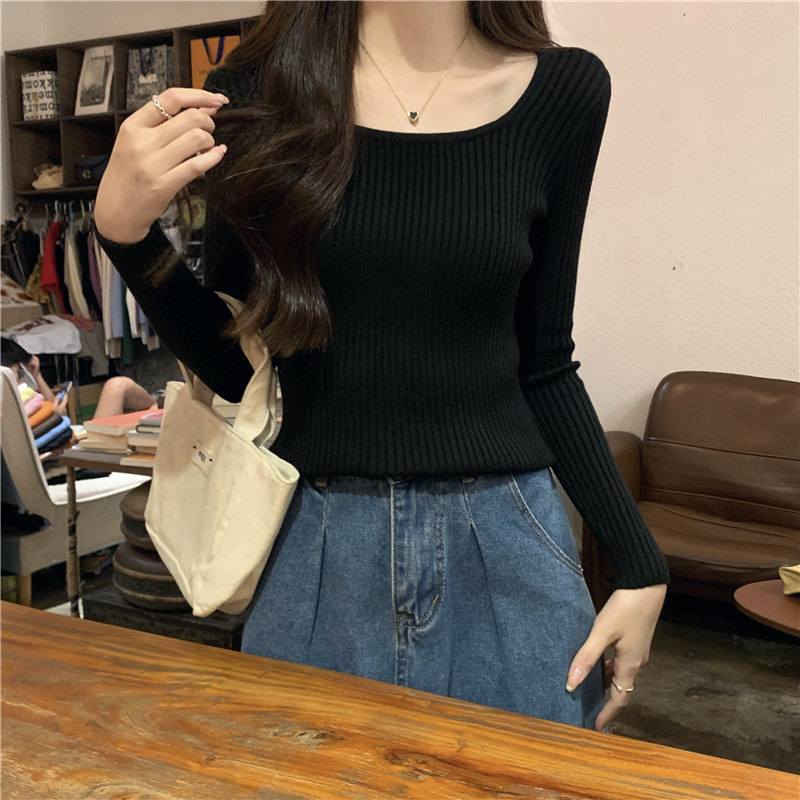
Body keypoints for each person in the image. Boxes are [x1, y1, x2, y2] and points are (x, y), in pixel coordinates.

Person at [93, 1, 669, 732]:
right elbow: (243, 369)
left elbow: (545, 360)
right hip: (314, 546)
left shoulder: (565, 92)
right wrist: (127, 235)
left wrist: (640, 563)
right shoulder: (255, 93)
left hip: (508, 545)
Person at [0, 337, 159, 419]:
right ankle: (160, 408)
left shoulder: (20, 398)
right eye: (19, 373)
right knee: (118, 385)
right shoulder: (10, 404)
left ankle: (158, 409)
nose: (21, 379)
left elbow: (50, 406)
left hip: (69, 445)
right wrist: (57, 416)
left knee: (119, 386)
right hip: (77, 454)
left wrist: (37, 375)